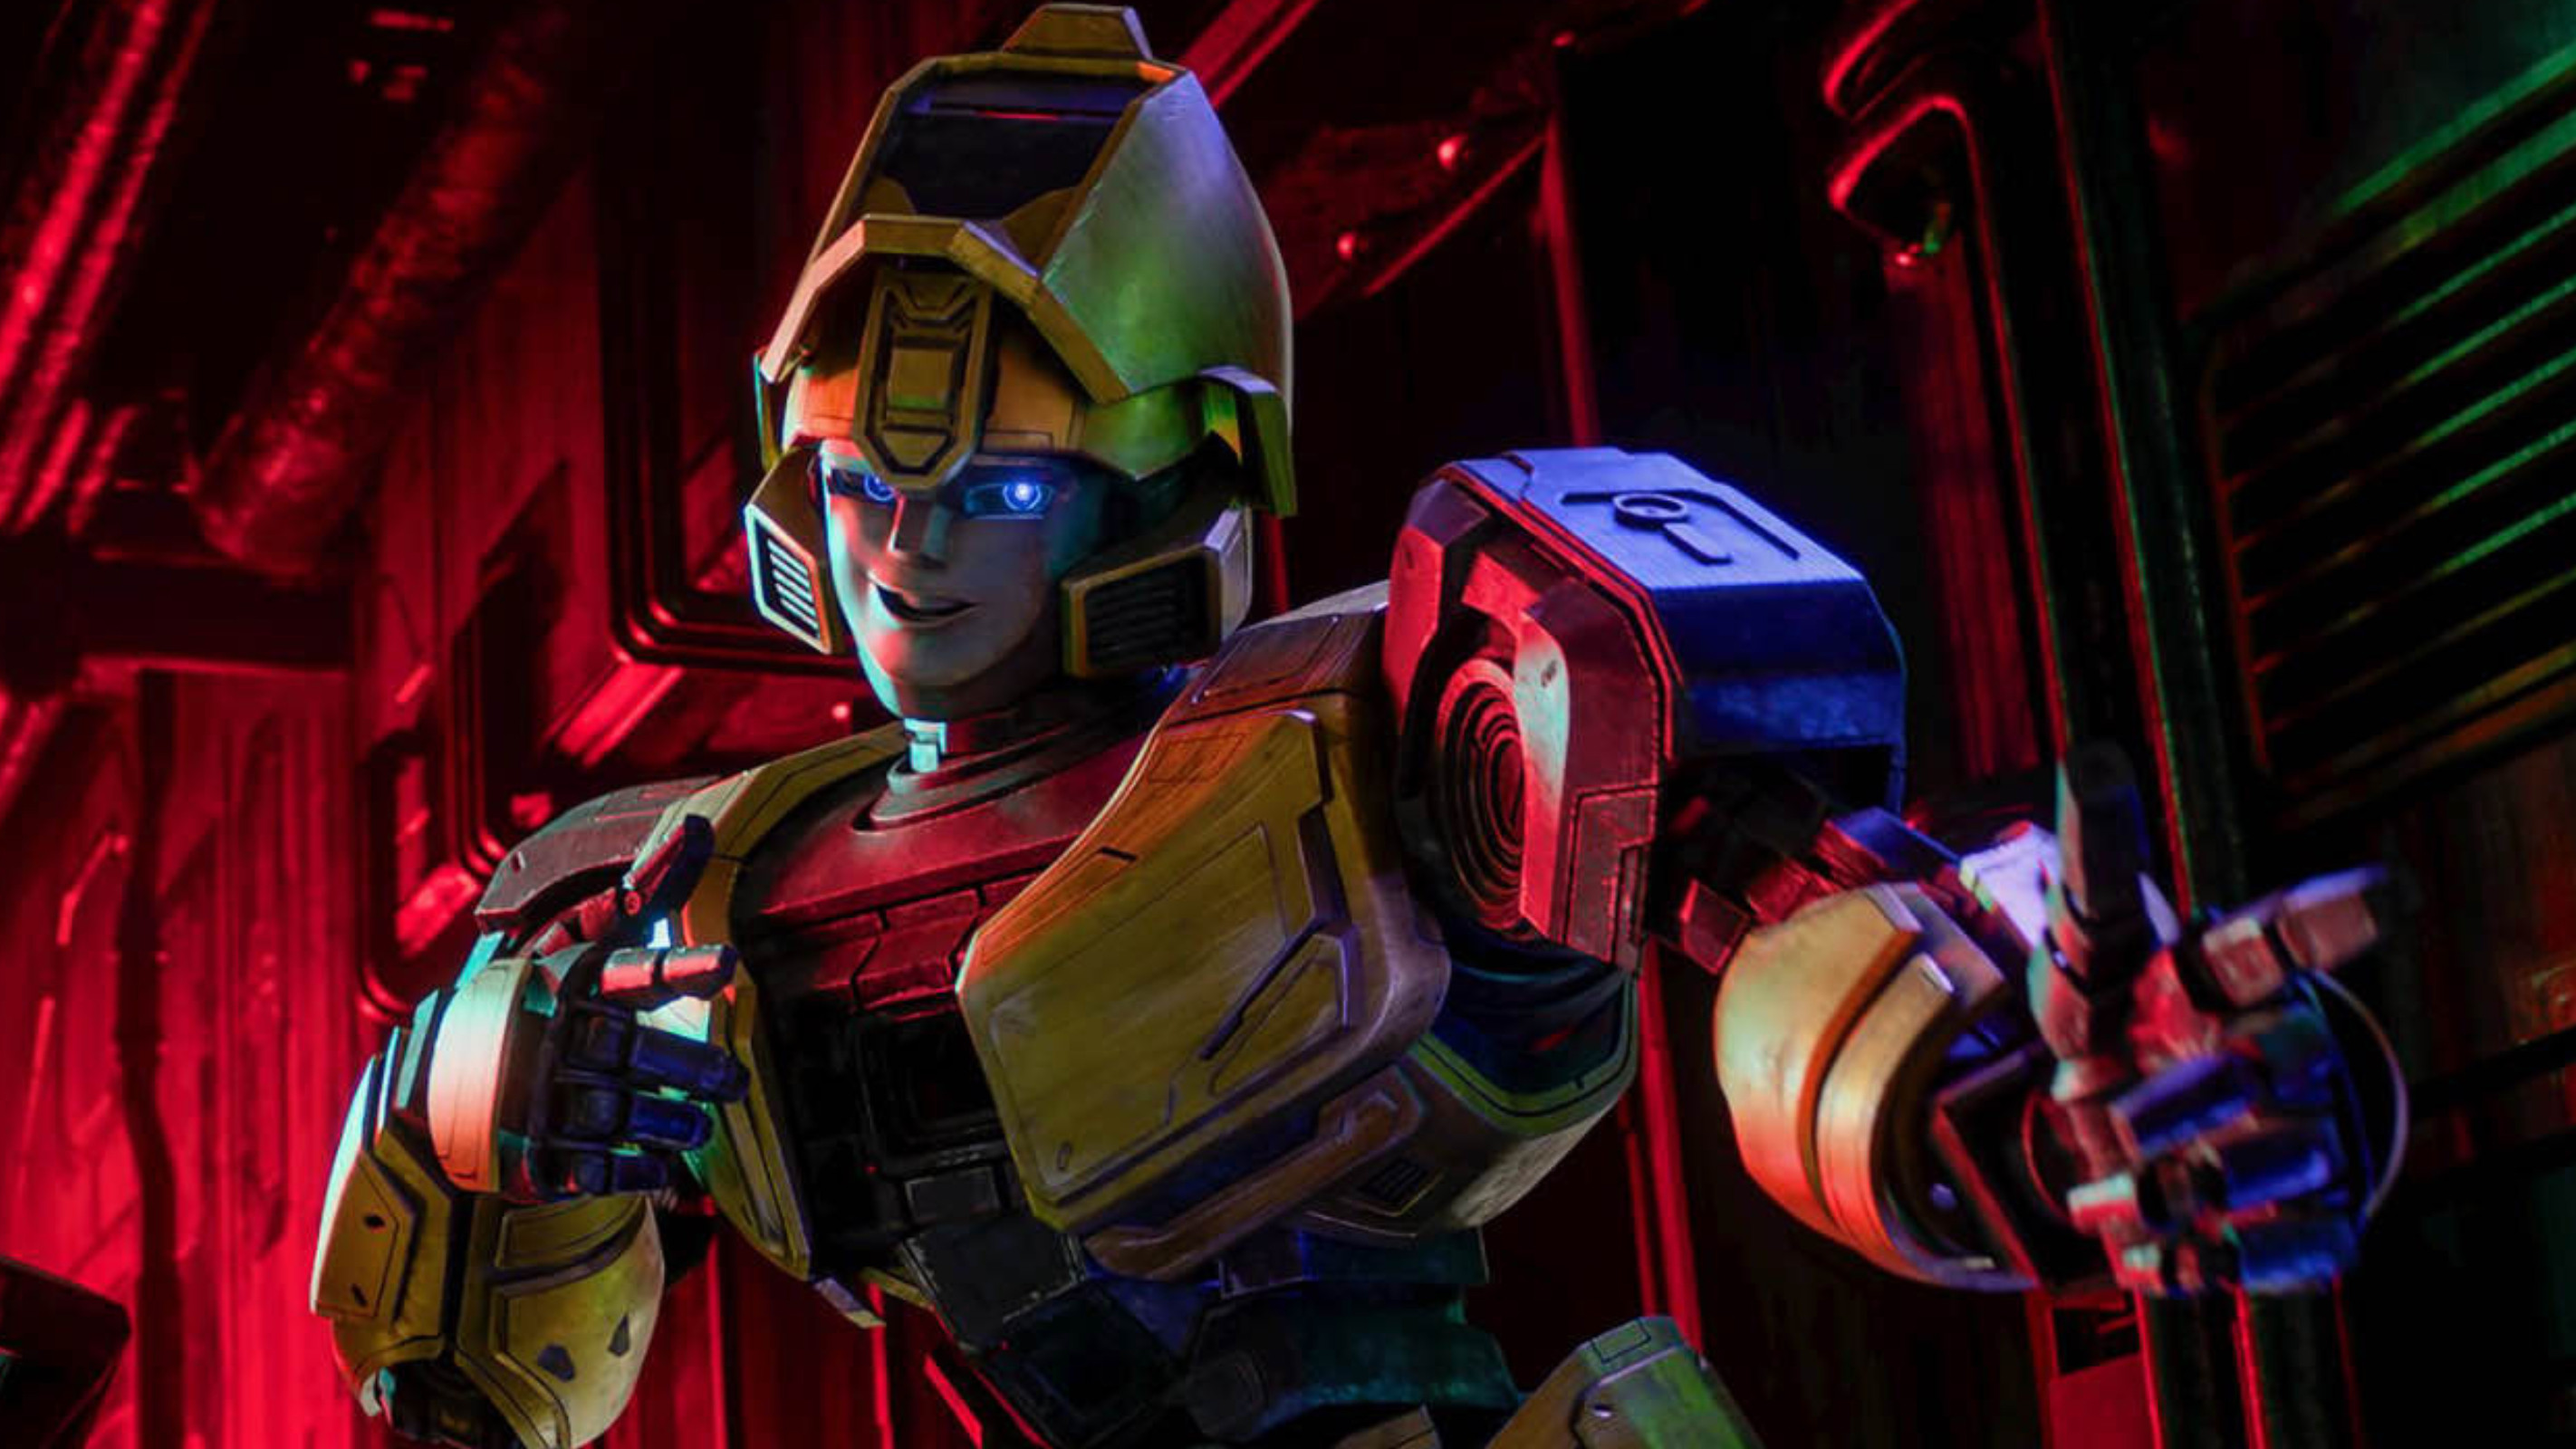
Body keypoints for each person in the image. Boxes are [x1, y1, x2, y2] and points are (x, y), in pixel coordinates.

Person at [308, 8, 2404, 1446]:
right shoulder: (698, 883)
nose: (910, 549)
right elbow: (461, 1352)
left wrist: (2056, 1089)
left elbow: (1777, 892)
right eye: (863, 484)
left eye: (997, 485)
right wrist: (498, 1093)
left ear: (1160, 476)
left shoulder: (1368, 726)